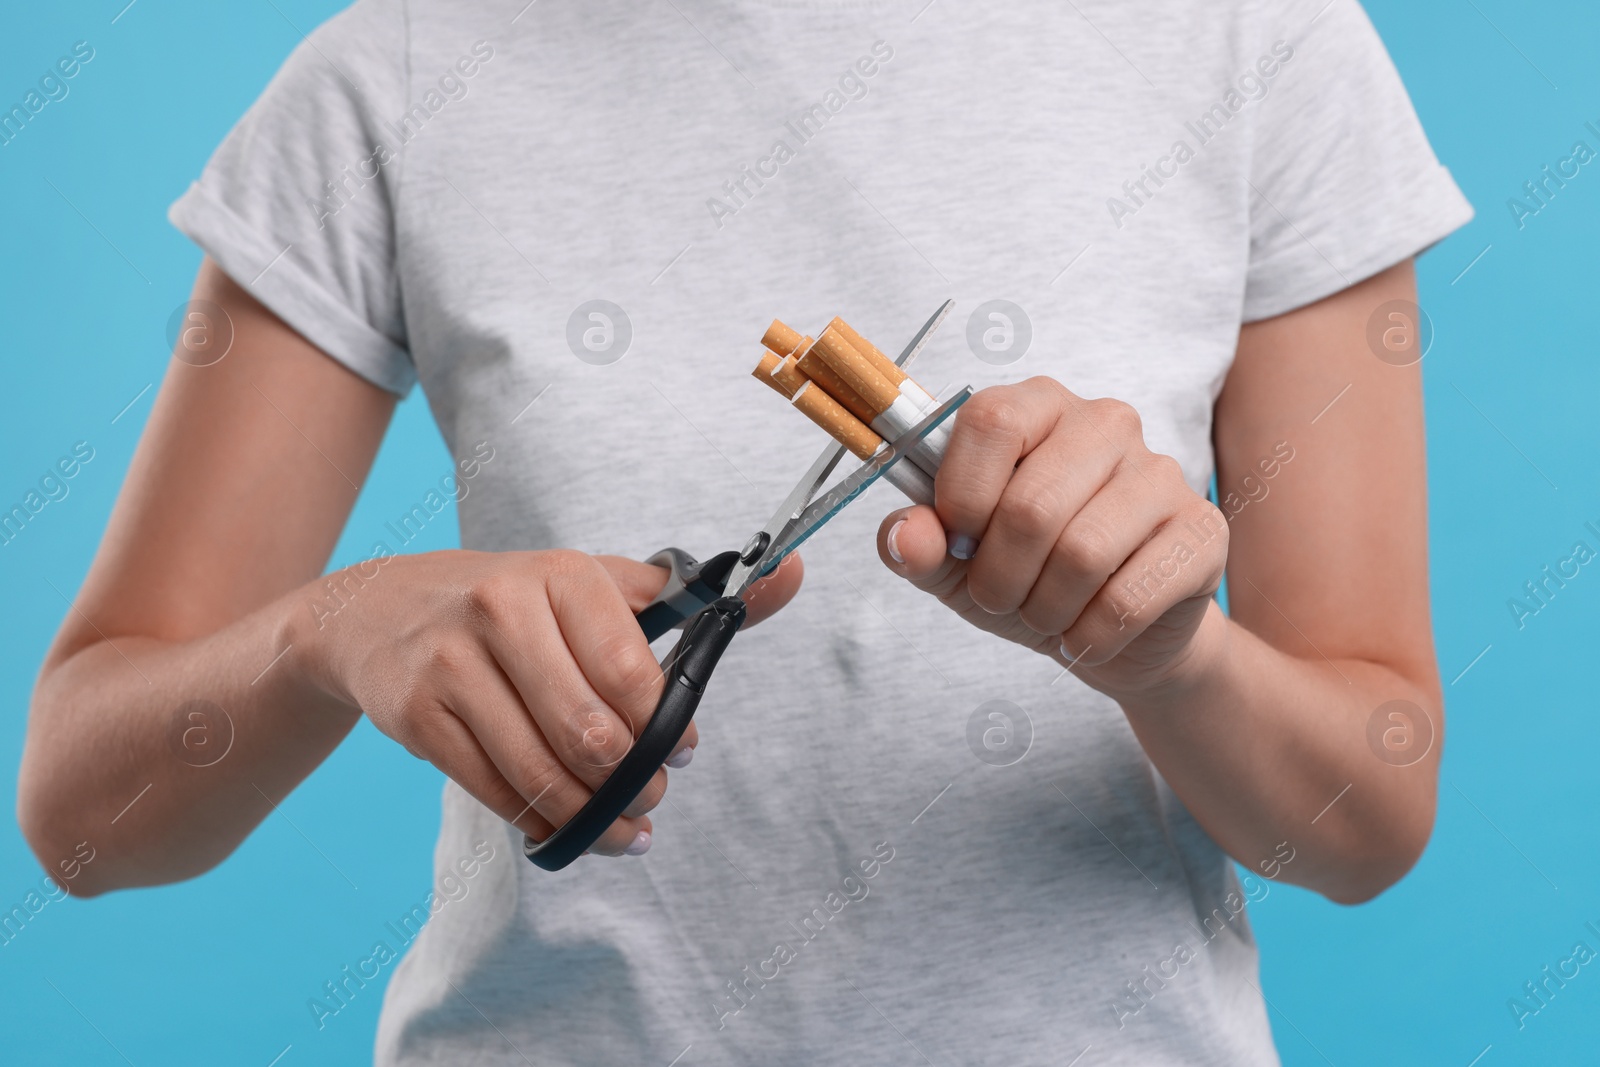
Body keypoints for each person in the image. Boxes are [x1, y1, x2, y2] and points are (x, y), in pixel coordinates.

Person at [18, 0, 1471, 1063]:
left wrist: (1167, 664)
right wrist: (324, 636)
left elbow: (1366, 822)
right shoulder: (393, 74)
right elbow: (85, 820)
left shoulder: (1263, 52)